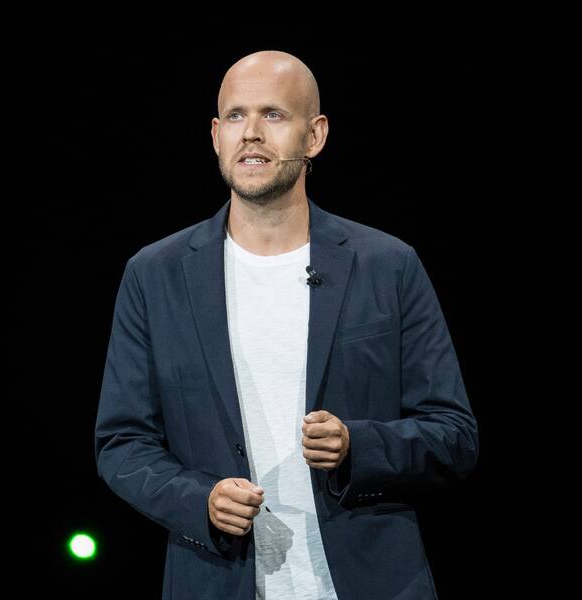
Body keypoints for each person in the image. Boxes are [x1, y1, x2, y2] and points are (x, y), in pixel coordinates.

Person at [94, 50, 478, 600]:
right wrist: (198, 500)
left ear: (314, 135)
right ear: (214, 135)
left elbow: (455, 435)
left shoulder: (387, 265)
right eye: (234, 116)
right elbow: (121, 443)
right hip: (217, 581)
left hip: (373, 581)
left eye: (273, 115)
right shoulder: (154, 276)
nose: (250, 133)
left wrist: (356, 446)